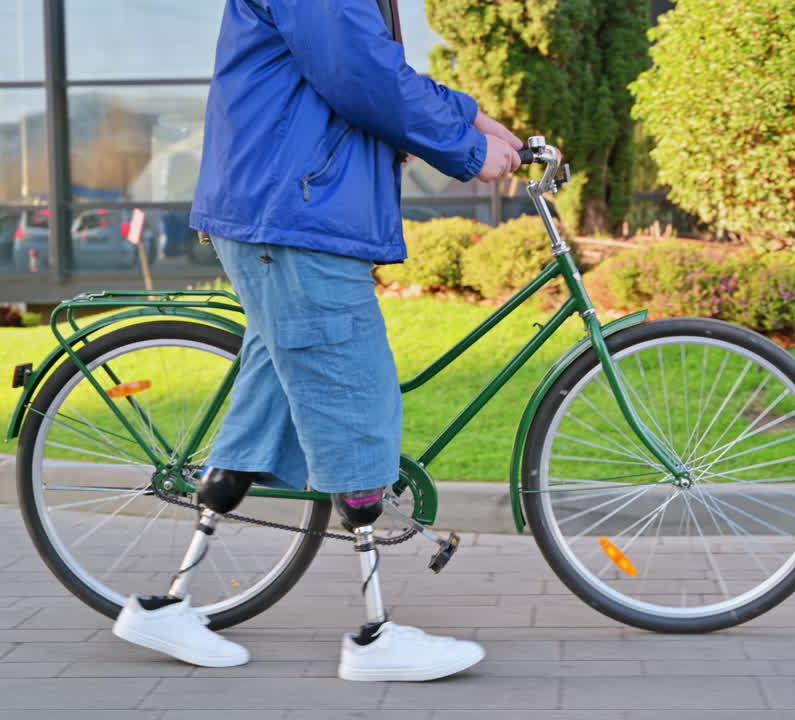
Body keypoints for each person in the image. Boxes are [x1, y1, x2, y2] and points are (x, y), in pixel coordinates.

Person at [109, 0, 523, 681]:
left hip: (289, 209)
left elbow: (372, 62)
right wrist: (467, 148)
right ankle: (376, 638)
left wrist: (469, 116)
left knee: (267, 404)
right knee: (351, 393)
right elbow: (360, 73)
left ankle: (166, 608)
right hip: (296, 216)